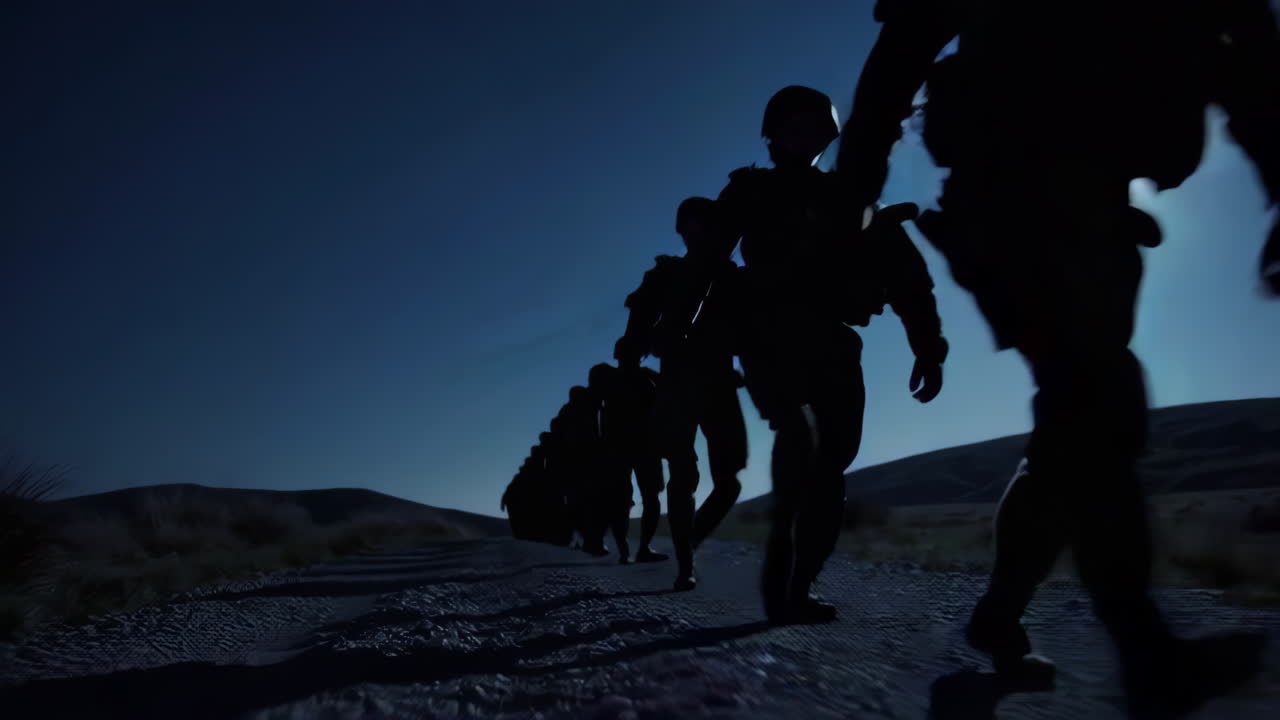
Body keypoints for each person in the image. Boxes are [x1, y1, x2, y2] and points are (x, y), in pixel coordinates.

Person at [836, 0, 1279, 714]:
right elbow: (903, 52)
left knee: (1077, 426)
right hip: (1005, 194)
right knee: (1094, 399)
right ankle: (1146, 655)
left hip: (1098, 206)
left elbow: (1246, 62)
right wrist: (853, 189)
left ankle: (1000, 615)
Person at [710, 85, 949, 623]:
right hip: (767, 334)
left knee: (832, 464)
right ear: (774, 133)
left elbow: (907, 276)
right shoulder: (749, 191)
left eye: (819, 128)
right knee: (799, 437)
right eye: (799, 125)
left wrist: (927, 348)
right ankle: (779, 580)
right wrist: (705, 341)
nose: (810, 137)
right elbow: (709, 270)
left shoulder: (850, 198)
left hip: (833, 341)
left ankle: (798, 584)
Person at [618, 198, 749, 591]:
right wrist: (640, 343)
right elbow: (636, 325)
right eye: (689, 225)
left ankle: (689, 540)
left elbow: (752, 329)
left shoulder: (729, 276)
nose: (695, 232)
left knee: (729, 480)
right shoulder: (665, 274)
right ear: (681, 231)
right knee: (683, 474)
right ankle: (685, 564)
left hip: (720, 383)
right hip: (677, 383)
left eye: (703, 225)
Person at [589, 356, 669, 565]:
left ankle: (634, 548)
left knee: (639, 498)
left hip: (638, 446)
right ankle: (631, 548)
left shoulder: (644, 376)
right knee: (628, 499)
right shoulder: (615, 377)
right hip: (626, 446)